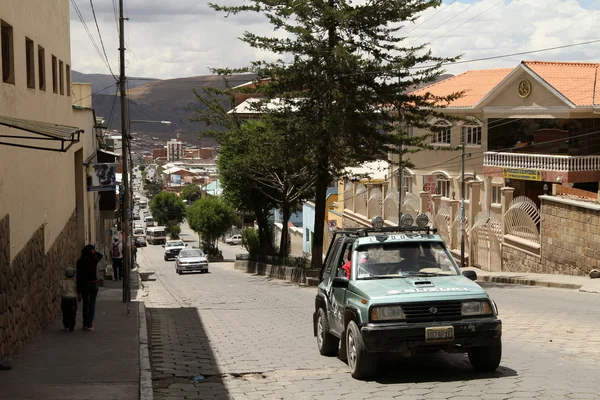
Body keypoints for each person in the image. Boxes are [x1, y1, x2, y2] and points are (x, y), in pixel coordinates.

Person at [76, 244, 103, 331]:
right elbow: (100, 256)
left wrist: (78, 289)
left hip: (84, 284)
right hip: (93, 284)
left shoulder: (79, 261)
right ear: (91, 251)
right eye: (93, 249)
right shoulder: (94, 259)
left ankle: (85, 323)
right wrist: (94, 252)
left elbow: (78, 276)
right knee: (92, 304)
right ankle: (89, 324)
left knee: (85, 304)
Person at [60, 267, 78, 332]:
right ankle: (72, 326)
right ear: (73, 274)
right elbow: (77, 290)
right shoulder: (74, 282)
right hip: (72, 299)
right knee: (73, 313)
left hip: (64, 299)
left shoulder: (62, 282)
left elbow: (59, 291)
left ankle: (66, 324)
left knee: (65, 312)